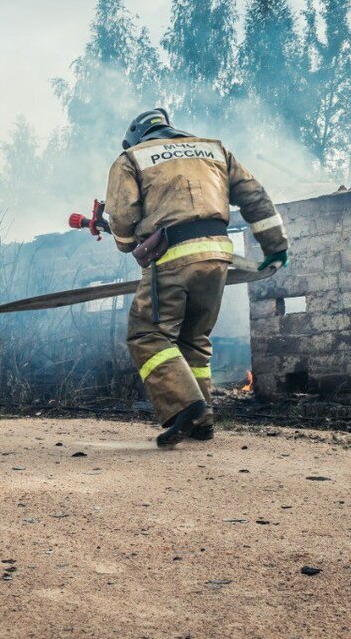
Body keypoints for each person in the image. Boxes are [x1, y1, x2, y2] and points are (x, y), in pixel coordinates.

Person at [105, 109, 289, 447]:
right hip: (218, 254)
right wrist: (275, 247)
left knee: (148, 335)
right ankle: (202, 422)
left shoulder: (131, 159)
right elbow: (255, 198)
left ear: (135, 136)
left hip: (173, 256)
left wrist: (128, 244)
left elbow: (122, 215)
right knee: (194, 340)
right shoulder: (215, 150)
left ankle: (186, 406)